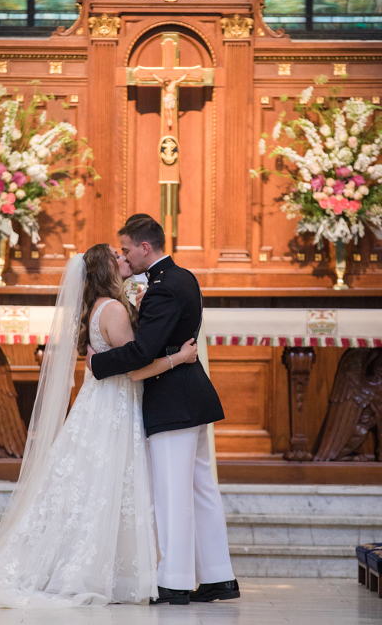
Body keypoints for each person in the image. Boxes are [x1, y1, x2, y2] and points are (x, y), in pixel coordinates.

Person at [0, 244, 197, 609]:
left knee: (90, 488)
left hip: (101, 406)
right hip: (112, 409)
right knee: (103, 486)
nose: (124, 259)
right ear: (105, 270)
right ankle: (95, 570)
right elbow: (134, 368)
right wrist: (179, 358)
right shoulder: (115, 309)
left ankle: (85, 565)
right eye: (116, 257)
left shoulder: (101, 307)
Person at [88, 215, 239, 605]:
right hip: (192, 397)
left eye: (125, 249)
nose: (124, 256)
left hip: (171, 400)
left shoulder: (160, 290)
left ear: (144, 248)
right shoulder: (184, 277)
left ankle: (174, 580)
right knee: (202, 489)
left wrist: (96, 364)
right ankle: (218, 576)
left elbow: (142, 353)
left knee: (174, 493)